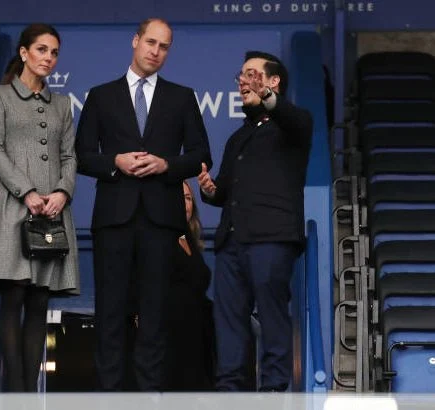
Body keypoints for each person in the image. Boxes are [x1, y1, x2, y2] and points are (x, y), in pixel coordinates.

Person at [75, 18, 212, 391]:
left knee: (154, 316)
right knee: (110, 315)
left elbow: (202, 155)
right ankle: (110, 398)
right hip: (114, 219)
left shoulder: (182, 97)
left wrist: (168, 165)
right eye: (150, 42)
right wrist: (114, 163)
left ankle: (150, 398)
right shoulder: (101, 96)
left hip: (161, 220)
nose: (156, 51)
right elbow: (82, 156)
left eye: (164, 46)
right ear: (135, 41)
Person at [198, 51, 313, 392]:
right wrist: (210, 190)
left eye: (253, 75)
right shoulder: (238, 137)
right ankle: (231, 393)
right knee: (229, 322)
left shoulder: (293, 124)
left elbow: (294, 120)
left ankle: (274, 391)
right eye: (242, 76)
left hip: (271, 239)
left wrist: (265, 95)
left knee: (272, 316)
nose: (243, 82)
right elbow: (224, 194)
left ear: (273, 82)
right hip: (231, 242)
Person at [0, 23, 80, 392]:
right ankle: (13, 394)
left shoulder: (63, 104)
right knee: (14, 295)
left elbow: (69, 156)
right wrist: (28, 191)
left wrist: (63, 192)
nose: (48, 58)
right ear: (24, 53)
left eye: (54, 52)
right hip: (12, 208)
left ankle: (28, 396)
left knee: (39, 300)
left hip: (52, 211)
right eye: (41, 50)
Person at [163, 180, 215, 391]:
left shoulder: (187, 239)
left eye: (187, 198)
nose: (185, 203)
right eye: (179, 197)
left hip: (194, 336)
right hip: (173, 338)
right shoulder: (162, 238)